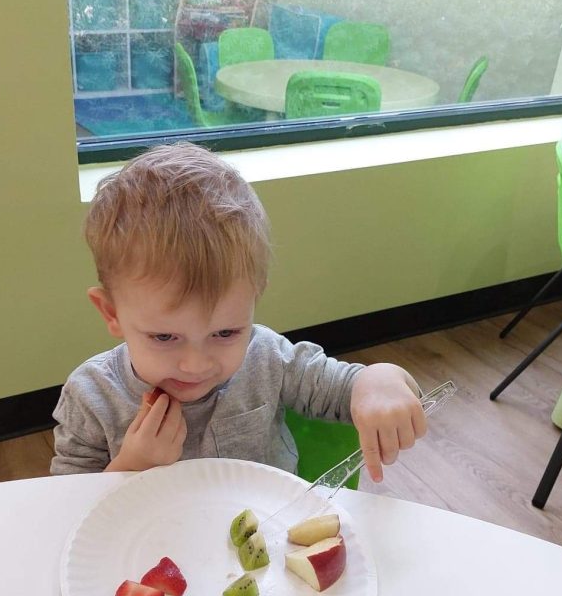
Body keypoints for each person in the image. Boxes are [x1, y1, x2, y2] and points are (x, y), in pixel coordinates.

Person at [51, 143, 427, 481]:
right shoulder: (92, 396)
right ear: (111, 312)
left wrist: (380, 380)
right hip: (148, 536)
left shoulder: (268, 358)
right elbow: (67, 506)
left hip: (270, 529)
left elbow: (347, 387)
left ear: (254, 298)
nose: (196, 365)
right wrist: (131, 468)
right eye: (164, 337)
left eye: (225, 333)